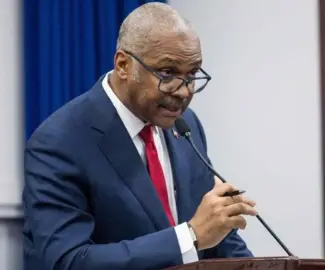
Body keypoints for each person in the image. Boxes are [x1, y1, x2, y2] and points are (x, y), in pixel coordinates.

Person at [22, 3, 257, 270]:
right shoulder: (59, 141)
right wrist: (189, 236)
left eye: (192, 74)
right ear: (123, 65)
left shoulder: (185, 125)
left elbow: (217, 238)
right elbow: (70, 261)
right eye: (167, 73)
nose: (183, 91)